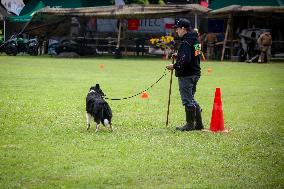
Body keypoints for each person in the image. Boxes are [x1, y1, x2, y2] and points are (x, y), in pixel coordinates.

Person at [166, 19, 204, 131]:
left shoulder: (186, 42)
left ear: (183, 29)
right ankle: (199, 124)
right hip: (195, 73)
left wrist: (175, 66)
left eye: (177, 28)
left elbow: (186, 60)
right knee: (191, 98)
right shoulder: (196, 40)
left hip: (187, 74)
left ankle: (190, 125)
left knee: (188, 100)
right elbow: (196, 55)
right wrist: (179, 55)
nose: (176, 31)